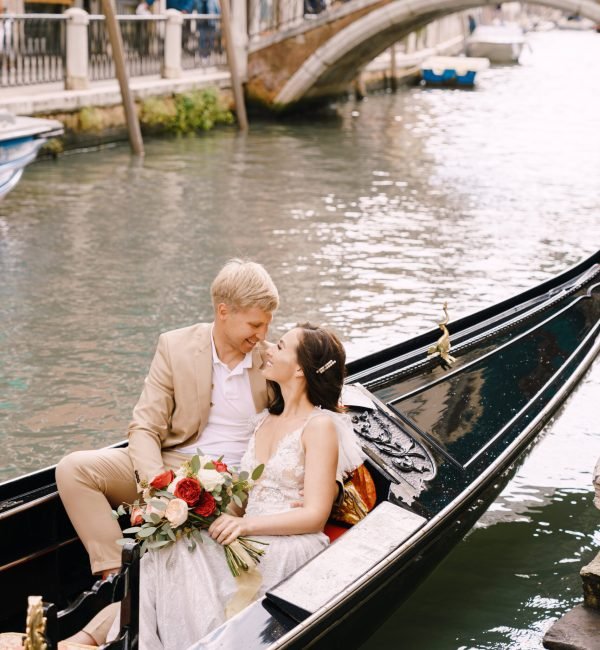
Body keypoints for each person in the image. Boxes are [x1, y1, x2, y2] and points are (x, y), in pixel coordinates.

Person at [56, 259, 279, 646]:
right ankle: (116, 576)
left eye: (267, 324)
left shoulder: (272, 357)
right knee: (74, 470)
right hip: (169, 464)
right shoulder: (175, 346)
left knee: (182, 541)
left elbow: (307, 408)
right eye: (255, 325)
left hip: (233, 481)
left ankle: (121, 612)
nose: (263, 334)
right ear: (223, 312)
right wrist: (159, 483)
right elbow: (144, 427)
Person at [127, 324, 358, 648]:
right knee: (174, 541)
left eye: (280, 346)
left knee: (182, 551)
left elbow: (315, 516)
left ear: (299, 369)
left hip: (290, 543)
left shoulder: (319, 426)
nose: (268, 350)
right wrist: (200, 513)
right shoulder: (264, 421)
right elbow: (245, 498)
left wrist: (245, 525)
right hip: (250, 532)